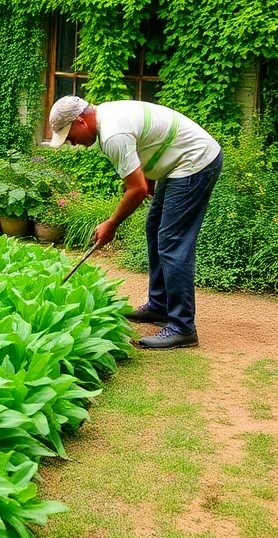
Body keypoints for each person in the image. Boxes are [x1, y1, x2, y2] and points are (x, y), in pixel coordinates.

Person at [46, 96, 222, 349]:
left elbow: (136, 190)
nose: (72, 143)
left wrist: (111, 223)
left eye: (69, 136)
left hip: (194, 161)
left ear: (81, 121)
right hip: (177, 164)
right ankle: (160, 307)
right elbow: (145, 146)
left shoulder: (112, 133)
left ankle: (183, 328)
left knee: (173, 242)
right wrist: (149, 177)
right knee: (155, 229)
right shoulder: (107, 117)